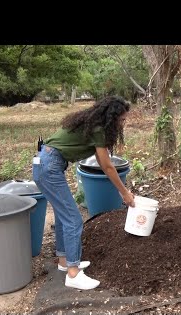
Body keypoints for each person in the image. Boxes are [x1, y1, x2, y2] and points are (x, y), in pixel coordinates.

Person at [33, 95, 135, 290]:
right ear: (111, 118)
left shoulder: (90, 123)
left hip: (45, 163)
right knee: (73, 219)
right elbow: (107, 165)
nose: (124, 123)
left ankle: (65, 262)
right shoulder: (99, 129)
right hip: (49, 167)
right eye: (122, 119)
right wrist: (124, 193)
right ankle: (73, 274)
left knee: (64, 217)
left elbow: (102, 161)